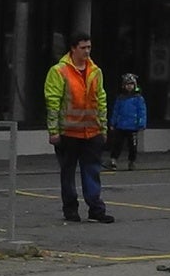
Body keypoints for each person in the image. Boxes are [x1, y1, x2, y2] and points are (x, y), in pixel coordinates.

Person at [44, 34, 113, 224]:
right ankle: (70, 209)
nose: (87, 51)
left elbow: (101, 100)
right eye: (83, 47)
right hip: (68, 133)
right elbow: (53, 102)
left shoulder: (95, 71)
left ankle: (96, 209)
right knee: (68, 173)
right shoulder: (59, 71)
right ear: (73, 48)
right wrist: (53, 131)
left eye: (89, 47)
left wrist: (103, 128)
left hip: (91, 132)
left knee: (92, 171)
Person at [109, 73, 148, 170]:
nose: (129, 86)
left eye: (131, 84)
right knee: (117, 144)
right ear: (123, 85)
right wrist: (113, 122)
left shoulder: (138, 98)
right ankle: (113, 159)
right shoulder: (120, 98)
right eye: (127, 84)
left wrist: (141, 123)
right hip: (121, 125)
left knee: (133, 146)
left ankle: (132, 161)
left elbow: (142, 111)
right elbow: (116, 111)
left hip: (133, 126)